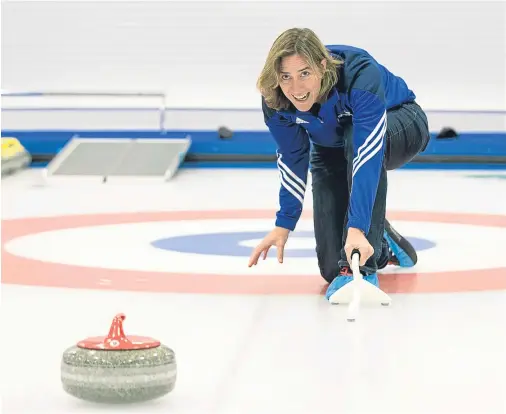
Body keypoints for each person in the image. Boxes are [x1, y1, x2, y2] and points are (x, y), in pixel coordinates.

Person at [247, 28, 430, 300]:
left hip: (402, 124)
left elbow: (367, 153)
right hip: (335, 146)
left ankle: (366, 263)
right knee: (332, 268)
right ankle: (381, 242)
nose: (295, 89)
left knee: (354, 137)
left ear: (322, 66)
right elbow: (293, 157)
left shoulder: (358, 75)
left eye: (304, 74)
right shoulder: (276, 97)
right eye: (286, 77)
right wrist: (283, 223)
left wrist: (357, 229)